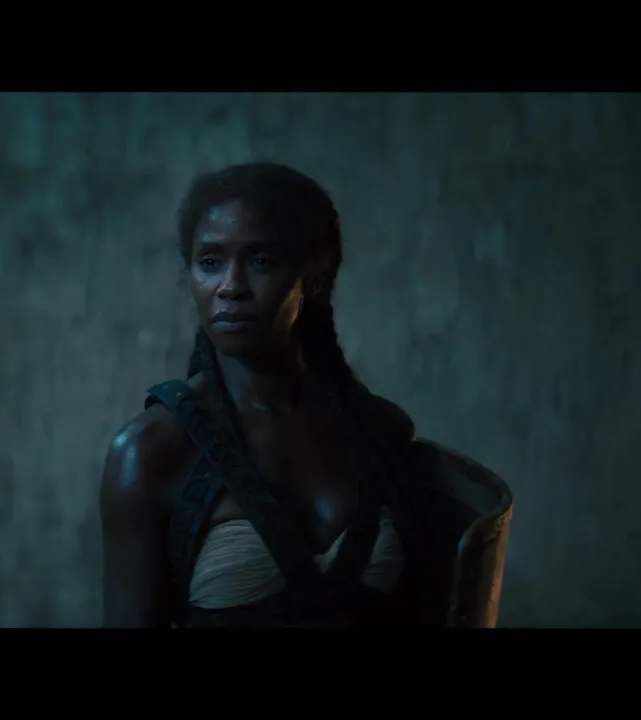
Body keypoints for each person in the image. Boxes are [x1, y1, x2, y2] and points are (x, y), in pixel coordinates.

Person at [99, 162, 512, 628]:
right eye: (210, 262)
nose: (231, 287)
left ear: (312, 277)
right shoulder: (151, 452)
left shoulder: (381, 433)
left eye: (261, 261)